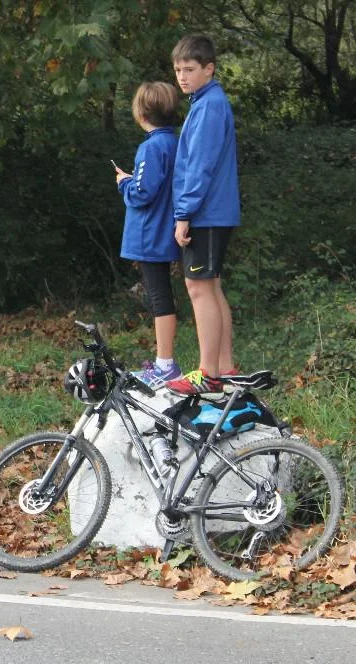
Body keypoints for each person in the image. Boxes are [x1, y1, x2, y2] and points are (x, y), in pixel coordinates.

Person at [164, 35, 241, 397]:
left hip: (207, 213)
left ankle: (208, 374)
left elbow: (200, 166)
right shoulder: (205, 102)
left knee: (199, 288)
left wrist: (184, 214)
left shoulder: (210, 105)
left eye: (190, 69)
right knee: (210, 286)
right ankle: (225, 370)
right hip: (212, 212)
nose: (182, 76)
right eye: (178, 69)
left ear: (209, 68)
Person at [114, 82, 182, 389]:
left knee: (158, 296)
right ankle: (164, 362)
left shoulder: (151, 147)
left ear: (141, 114)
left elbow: (142, 193)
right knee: (160, 294)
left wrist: (124, 183)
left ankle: (165, 365)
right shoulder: (175, 142)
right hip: (165, 228)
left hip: (150, 232)